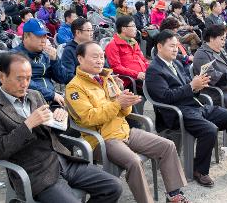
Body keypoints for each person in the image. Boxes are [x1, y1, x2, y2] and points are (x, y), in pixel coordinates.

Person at [0, 52, 122, 203]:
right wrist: (27, 125)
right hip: (35, 172)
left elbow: (51, 130)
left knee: (113, 186)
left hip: (62, 160)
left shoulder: (35, 95)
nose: (25, 84)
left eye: (28, 78)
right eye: (19, 78)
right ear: (2, 76)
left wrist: (60, 120)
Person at [66, 41, 190, 203]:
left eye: (102, 56)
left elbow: (125, 112)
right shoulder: (74, 88)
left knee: (167, 146)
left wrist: (126, 102)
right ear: (80, 59)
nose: (99, 60)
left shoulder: (107, 78)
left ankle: (174, 195)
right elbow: (88, 118)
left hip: (124, 131)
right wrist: (118, 103)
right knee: (134, 161)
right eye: (94, 57)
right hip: (102, 139)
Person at [145, 30, 227, 187]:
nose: (175, 49)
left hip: (194, 105)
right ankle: (200, 170)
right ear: (159, 47)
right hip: (176, 113)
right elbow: (165, 97)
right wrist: (191, 87)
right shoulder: (154, 70)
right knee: (209, 129)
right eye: (171, 46)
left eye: (176, 46)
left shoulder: (176, 63)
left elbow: (190, 85)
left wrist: (198, 85)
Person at [13, 18, 71, 105]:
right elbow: (24, 82)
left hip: (51, 100)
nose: (44, 40)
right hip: (29, 102)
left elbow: (62, 78)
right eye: (39, 36)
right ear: (26, 36)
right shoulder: (15, 57)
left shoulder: (45, 54)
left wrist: (55, 60)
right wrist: (51, 95)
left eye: (45, 36)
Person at [105, 16, 149, 94]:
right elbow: (116, 67)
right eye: (133, 26)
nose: (136, 28)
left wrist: (150, 70)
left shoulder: (133, 42)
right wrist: (136, 74)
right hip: (130, 81)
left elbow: (143, 59)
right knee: (156, 90)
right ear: (124, 29)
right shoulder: (113, 45)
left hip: (143, 76)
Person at [61, 17, 94, 82]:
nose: (91, 33)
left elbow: (103, 66)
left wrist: (108, 75)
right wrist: (87, 82)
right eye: (88, 30)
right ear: (78, 32)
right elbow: (68, 75)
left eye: (92, 30)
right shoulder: (69, 51)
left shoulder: (92, 47)